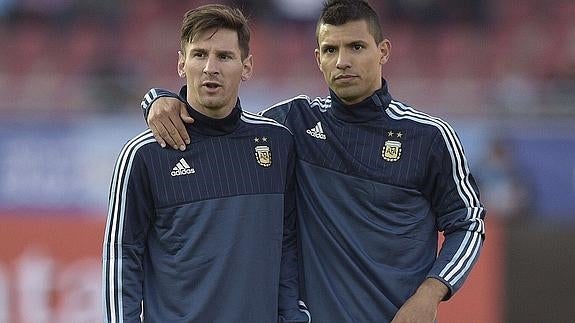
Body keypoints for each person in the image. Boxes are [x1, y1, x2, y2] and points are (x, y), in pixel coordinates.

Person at [140, 0, 486, 322]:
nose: (342, 61)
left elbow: (469, 222)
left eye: (356, 47)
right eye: (331, 50)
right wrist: (159, 100)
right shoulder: (295, 124)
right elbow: (223, 123)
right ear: (318, 57)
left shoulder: (428, 137)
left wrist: (431, 292)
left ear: (383, 52)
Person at [102, 4, 310, 323]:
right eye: (199, 55)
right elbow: (121, 258)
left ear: (247, 66)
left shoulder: (277, 143)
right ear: (182, 64)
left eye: (224, 57)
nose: (210, 67)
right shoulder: (144, 154)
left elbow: (287, 247)